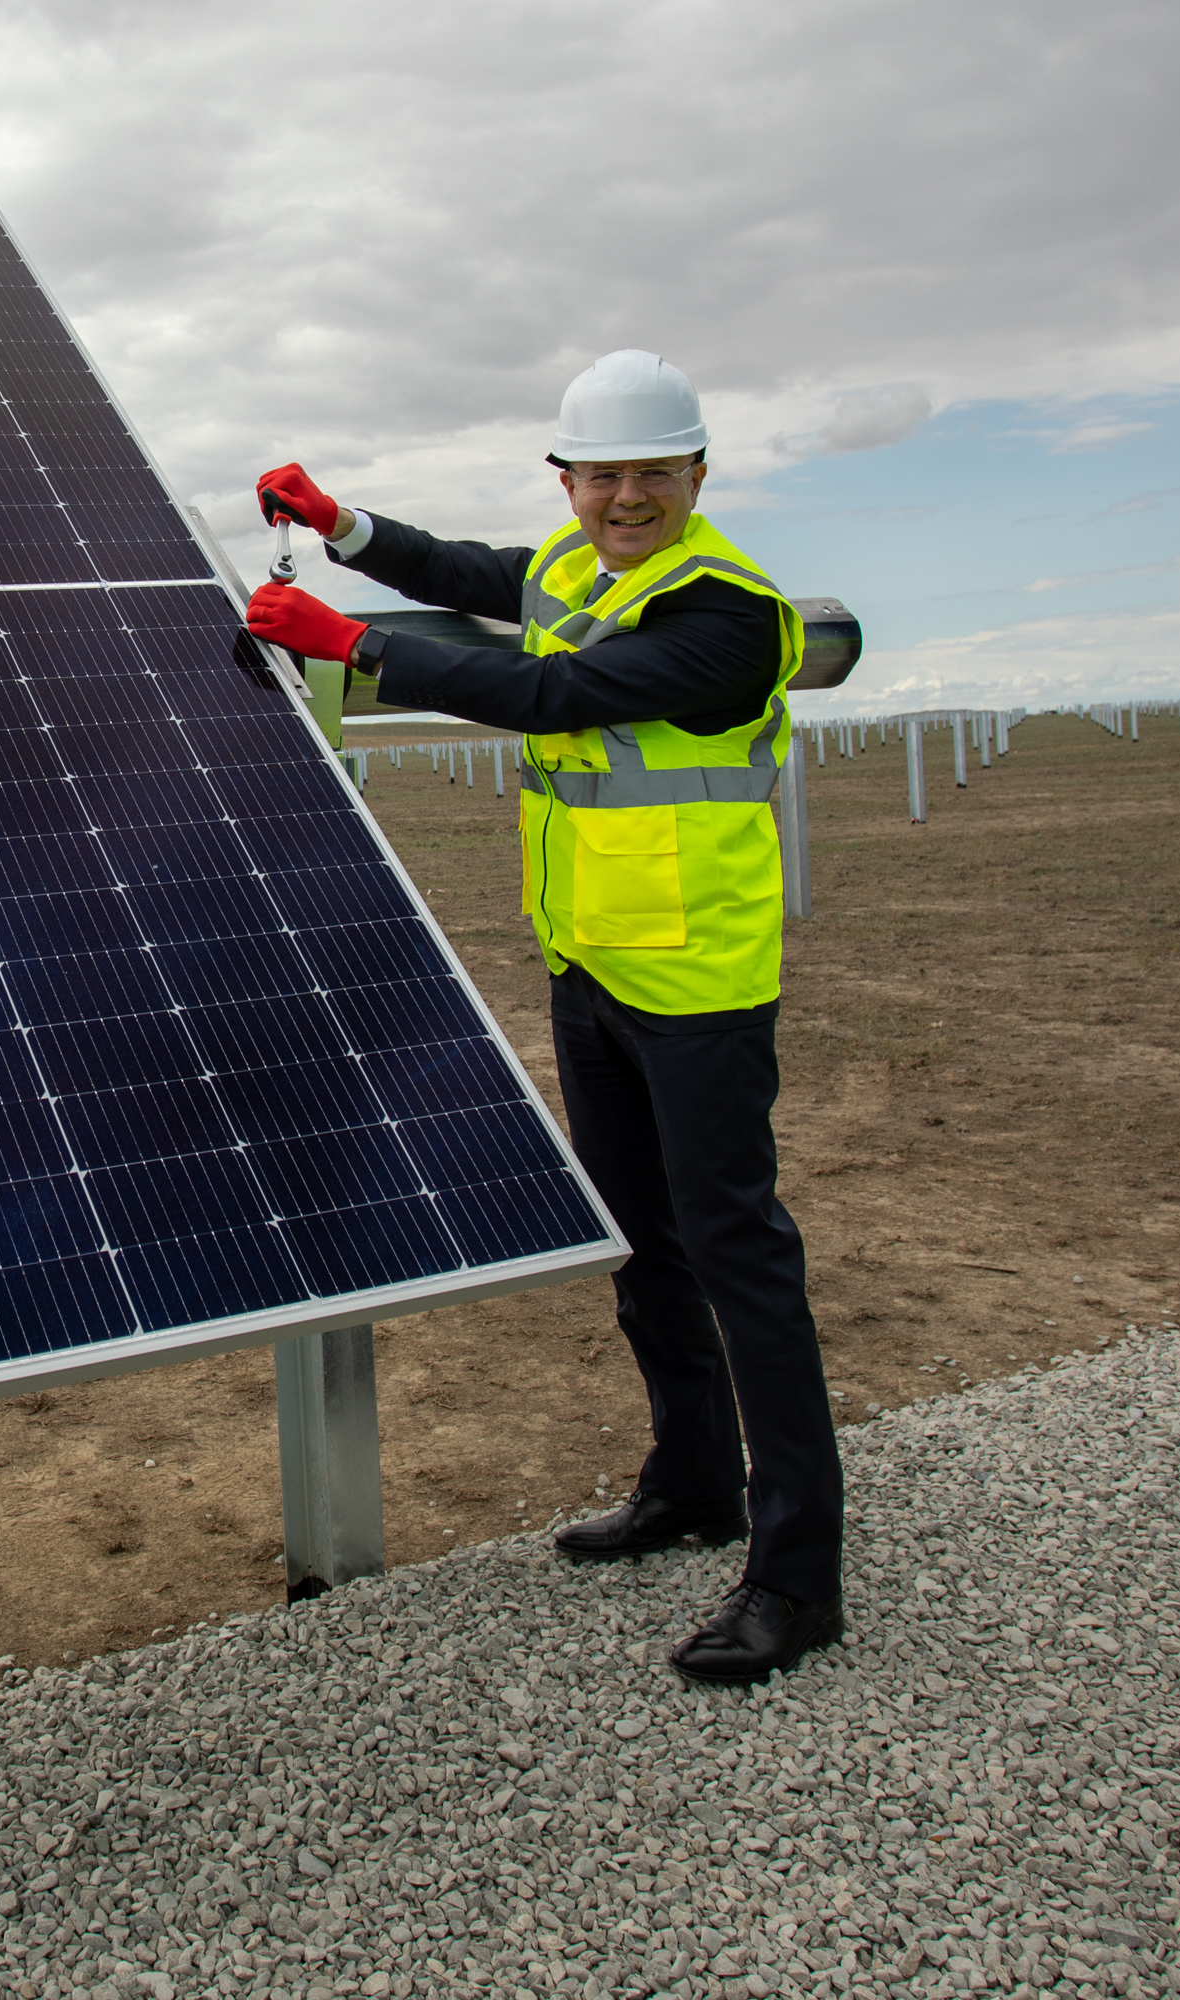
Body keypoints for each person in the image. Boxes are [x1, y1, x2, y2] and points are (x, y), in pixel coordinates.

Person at [238, 350, 846, 1685]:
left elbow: (560, 694)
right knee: (645, 1248)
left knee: (742, 1262)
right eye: (600, 475)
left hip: (697, 984)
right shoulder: (579, 565)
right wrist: (346, 530)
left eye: (650, 474)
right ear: (568, 479)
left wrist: (355, 650)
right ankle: (694, 1481)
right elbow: (477, 576)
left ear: (698, 473)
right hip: (592, 966)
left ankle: (799, 1579)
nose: (623, 498)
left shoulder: (727, 612)